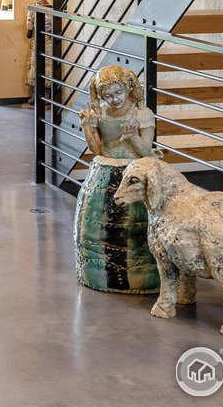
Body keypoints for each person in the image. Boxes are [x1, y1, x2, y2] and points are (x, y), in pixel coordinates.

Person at [73, 65, 160, 294]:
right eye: (108, 95)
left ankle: (145, 279)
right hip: (104, 173)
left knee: (138, 231)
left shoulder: (142, 114)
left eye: (118, 93)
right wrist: (87, 128)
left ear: (129, 87)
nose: (114, 100)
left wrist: (132, 137)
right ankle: (97, 275)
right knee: (98, 228)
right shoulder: (100, 113)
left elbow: (146, 152)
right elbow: (98, 149)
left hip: (133, 173)